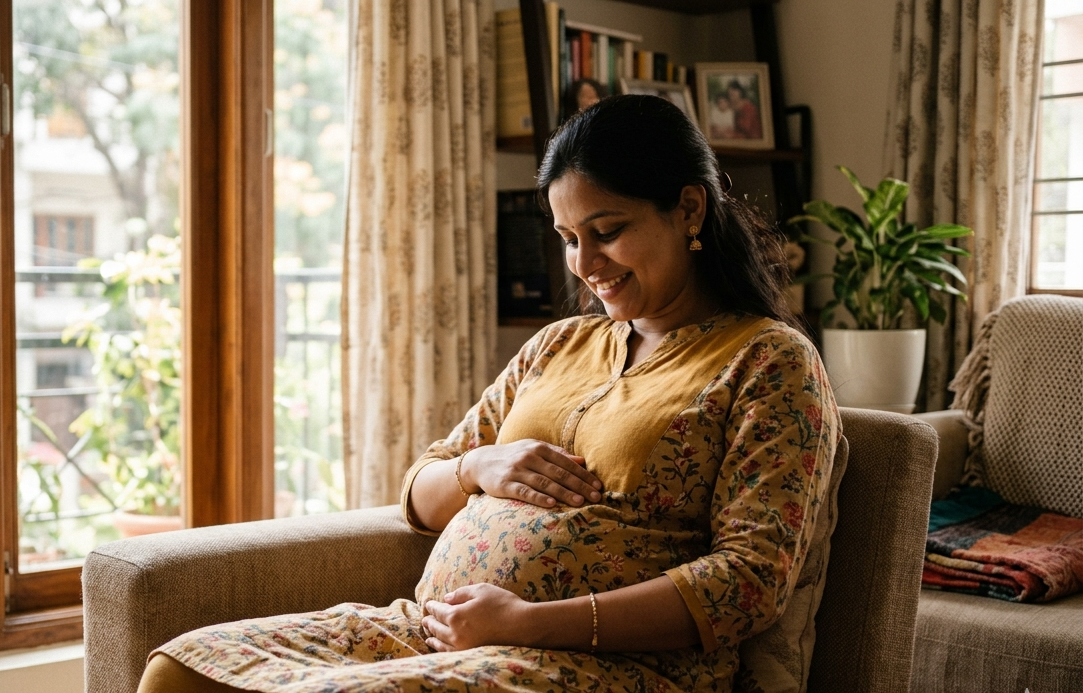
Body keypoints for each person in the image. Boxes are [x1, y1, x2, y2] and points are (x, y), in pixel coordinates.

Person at [136, 95, 839, 693]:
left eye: (607, 231)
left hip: (605, 666)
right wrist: (480, 467)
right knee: (180, 671)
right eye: (569, 238)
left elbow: (749, 580)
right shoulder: (560, 344)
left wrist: (527, 622)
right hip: (436, 631)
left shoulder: (768, 361)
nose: (585, 264)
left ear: (688, 209)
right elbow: (416, 494)